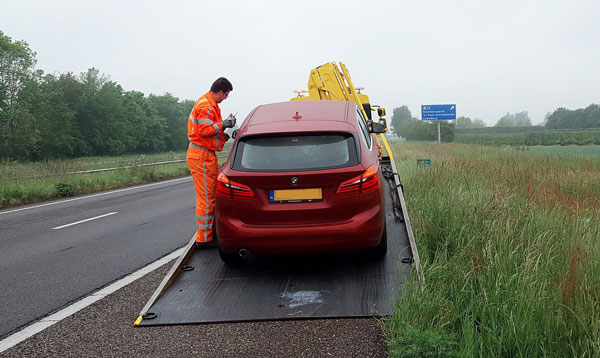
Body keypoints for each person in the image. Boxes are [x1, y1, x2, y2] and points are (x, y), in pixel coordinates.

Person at [187, 77, 235, 249]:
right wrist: (224, 124)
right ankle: (204, 239)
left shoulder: (210, 105)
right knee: (207, 199)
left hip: (205, 155)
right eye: (226, 95)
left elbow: (210, 131)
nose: (225, 99)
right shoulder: (206, 106)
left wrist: (224, 132)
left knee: (211, 196)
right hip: (201, 155)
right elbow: (205, 130)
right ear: (221, 92)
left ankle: (209, 233)